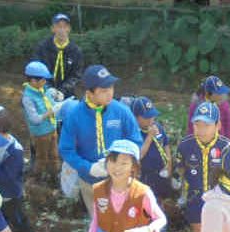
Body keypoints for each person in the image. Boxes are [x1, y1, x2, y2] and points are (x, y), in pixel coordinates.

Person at [59, 65, 143, 219]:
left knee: (122, 218)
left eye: (111, 88)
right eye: (103, 90)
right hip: (90, 181)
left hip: (120, 179)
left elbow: (135, 140)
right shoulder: (74, 116)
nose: (110, 93)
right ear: (89, 92)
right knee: (98, 220)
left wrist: (122, 161)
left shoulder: (121, 111)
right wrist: (88, 167)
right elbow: (66, 149)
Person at [177, 102, 230, 232]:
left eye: (206, 125)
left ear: (218, 125)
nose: (201, 129)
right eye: (197, 125)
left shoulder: (226, 146)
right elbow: (180, 171)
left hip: (220, 199)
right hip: (196, 197)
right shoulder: (186, 146)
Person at [21, 61, 67, 181]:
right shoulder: (28, 98)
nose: (45, 82)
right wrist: (52, 111)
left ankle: (54, 176)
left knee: (54, 155)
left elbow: (50, 98)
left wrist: (55, 94)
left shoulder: (43, 89)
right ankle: (37, 179)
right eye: (43, 80)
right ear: (33, 81)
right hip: (40, 134)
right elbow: (35, 119)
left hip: (52, 129)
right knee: (42, 158)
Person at [130, 96, 173, 202]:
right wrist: (149, 137)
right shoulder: (134, 133)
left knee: (165, 199)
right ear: (135, 117)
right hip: (147, 175)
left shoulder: (157, 126)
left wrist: (169, 161)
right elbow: (138, 155)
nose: (151, 120)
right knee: (150, 201)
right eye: (146, 117)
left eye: (152, 116)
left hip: (162, 171)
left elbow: (166, 144)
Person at [32, 13, 83, 98]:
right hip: (43, 92)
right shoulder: (42, 47)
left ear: (69, 29)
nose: (62, 30)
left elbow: (76, 76)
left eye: (65, 26)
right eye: (58, 26)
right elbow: (36, 69)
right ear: (53, 29)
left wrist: (62, 91)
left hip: (66, 95)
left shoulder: (76, 51)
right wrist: (48, 89)